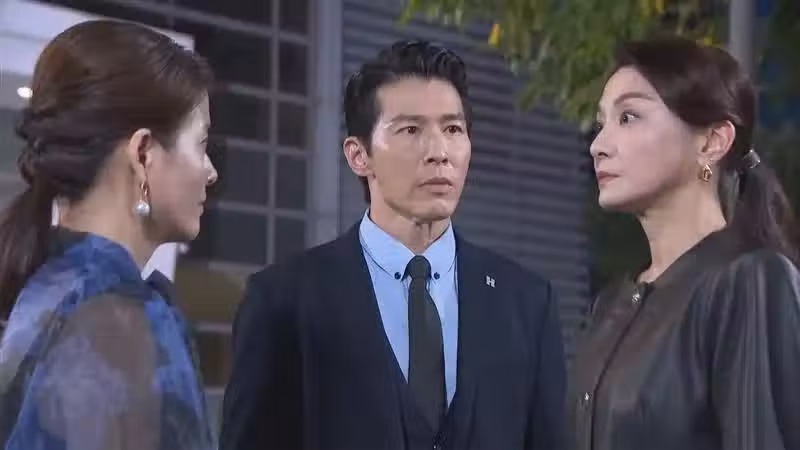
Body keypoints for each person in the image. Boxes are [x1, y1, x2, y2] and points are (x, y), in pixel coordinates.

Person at [220, 40, 566, 450]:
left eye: (453, 129)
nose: (439, 152)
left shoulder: (526, 302)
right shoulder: (283, 301)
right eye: (411, 130)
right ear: (359, 156)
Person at [568, 36, 800, 450]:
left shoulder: (749, 281)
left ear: (712, 142)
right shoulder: (610, 305)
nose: (598, 146)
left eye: (628, 117)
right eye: (601, 124)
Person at [0, 20, 218, 450]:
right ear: (143, 154)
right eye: (201, 143)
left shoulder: (40, 292)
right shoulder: (126, 325)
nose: (210, 171)